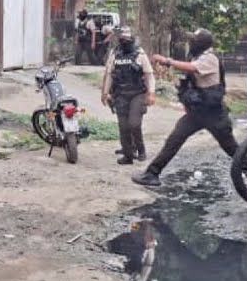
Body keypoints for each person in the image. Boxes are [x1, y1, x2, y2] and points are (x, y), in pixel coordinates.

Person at [131, 29, 237, 187]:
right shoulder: (196, 56)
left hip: (214, 113)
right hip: (197, 112)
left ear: (202, 43)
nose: (191, 42)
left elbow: (192, 68)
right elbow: (189, 83)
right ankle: (152, 173)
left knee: (231, 148)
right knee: (175, 139)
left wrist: (167, 61)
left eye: (194, 39)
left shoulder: (210, 58)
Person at [101, 27, 155, 165]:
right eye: (122, 39)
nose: (124, 41)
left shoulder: (139, 54)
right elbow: (109, 75)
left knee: (134, 124)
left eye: (126, 39)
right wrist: (105, 93)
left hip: (138, 94)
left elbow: (149, 75)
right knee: (123, 127)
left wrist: (151, 93)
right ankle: (128, 156)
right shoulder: (115, 54)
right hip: (120, 94)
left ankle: (141, 150)